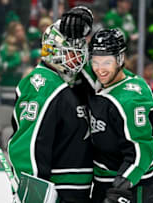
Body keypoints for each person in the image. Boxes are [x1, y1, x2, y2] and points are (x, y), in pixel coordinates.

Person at [8, 6, 94, 202]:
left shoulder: (73, 80)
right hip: (57, 192)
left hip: (80, 191)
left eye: (80, 50)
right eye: (72, 51)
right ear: (55, 51)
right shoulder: (42, 84)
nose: (79, 57)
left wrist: (85, 18)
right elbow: (28, 146)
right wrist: (33, 192)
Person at [85, 28, 153, 203]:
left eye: (106, 62)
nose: (100, 69)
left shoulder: (132, 99)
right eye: (95, 62)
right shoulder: (98, 80)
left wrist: (122, 185)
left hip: (137, 186)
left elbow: (141, 149)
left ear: (120, 59)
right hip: (103, 181)